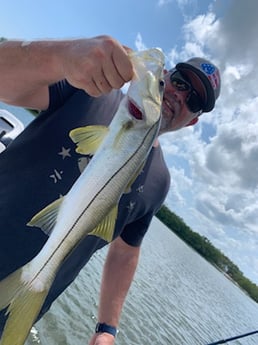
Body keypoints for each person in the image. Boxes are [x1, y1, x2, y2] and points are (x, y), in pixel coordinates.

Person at [0, 35, 221, 345]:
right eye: (180, 81)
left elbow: (126, 252)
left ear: (193, 122)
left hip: (27, 300)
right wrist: (62, 56)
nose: (179, 96)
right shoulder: (89, 89)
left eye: (194, 101)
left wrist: (107, 328)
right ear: (167, 75)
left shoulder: (160, 181)